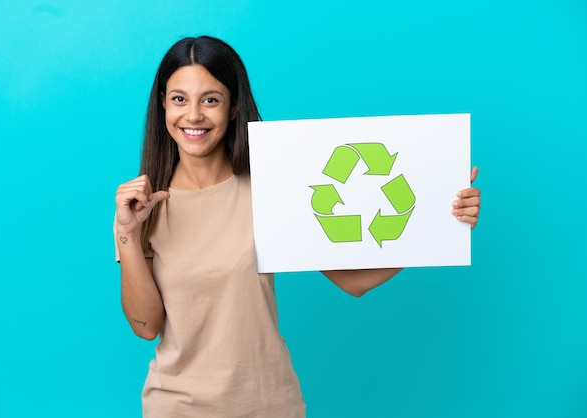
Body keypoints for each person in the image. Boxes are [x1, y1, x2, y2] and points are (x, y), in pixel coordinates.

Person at [114, 35, 481, 417]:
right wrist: (127, 233)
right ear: (162, 104)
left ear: (234, 105)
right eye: (179, 99)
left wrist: (441, 226)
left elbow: (352, 282)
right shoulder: (141, 208)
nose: (193, 115)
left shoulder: (274, 186)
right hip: (177, 407)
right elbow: (145, 325)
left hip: (271, 404)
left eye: (210, 99)